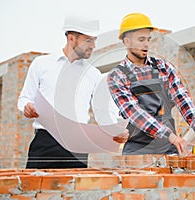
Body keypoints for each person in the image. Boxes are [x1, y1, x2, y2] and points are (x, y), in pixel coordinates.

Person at [18, 16, 128, 169]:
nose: (93, 46)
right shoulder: (41, 64)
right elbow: (24, 98)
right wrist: (26, 107)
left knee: (74, 192)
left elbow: (102, 109)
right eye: (88, 40)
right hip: (46, 143)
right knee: (36, 190)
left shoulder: (93, 74)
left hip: (78, 145)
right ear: (71, 38)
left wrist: (114, 129)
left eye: (94, 40)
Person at [107, 13, 195, 155]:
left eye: (148, 39)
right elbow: (136, 114)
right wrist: (172, 137)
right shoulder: (117, 76)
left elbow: (183, 99)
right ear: (127, 42)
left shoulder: (163, 68)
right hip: (137, 151)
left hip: (169, 147)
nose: (146, 44)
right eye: (141, 40)